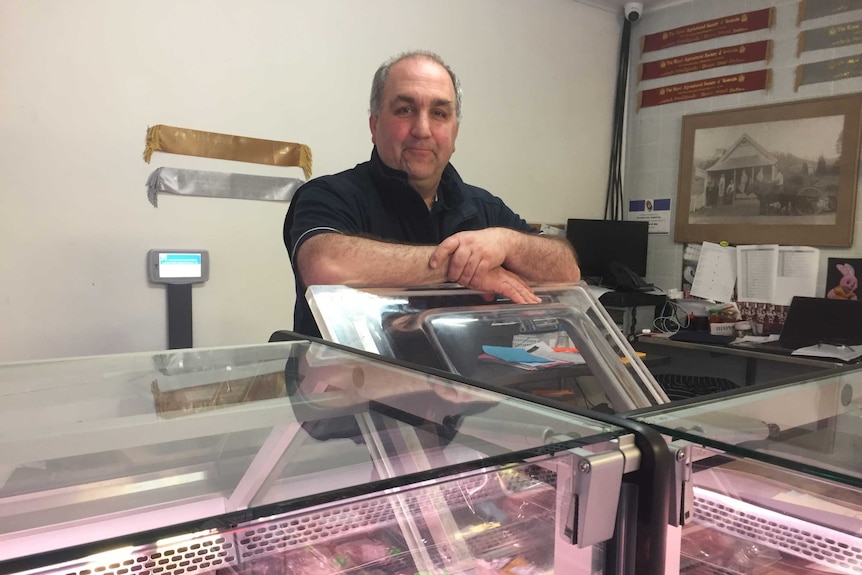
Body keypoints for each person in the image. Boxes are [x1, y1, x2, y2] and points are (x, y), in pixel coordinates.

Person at [284, 50, 580, 337]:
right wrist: (465, 267)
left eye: (439, 113)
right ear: (374, 125)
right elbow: (325, 266)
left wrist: (509, 242)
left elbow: (567, 271)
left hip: (463, 386)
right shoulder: (328, 194)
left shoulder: (484, 208)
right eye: (405, 110)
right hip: (346, 384)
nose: (422, 129)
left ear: (454, 133)